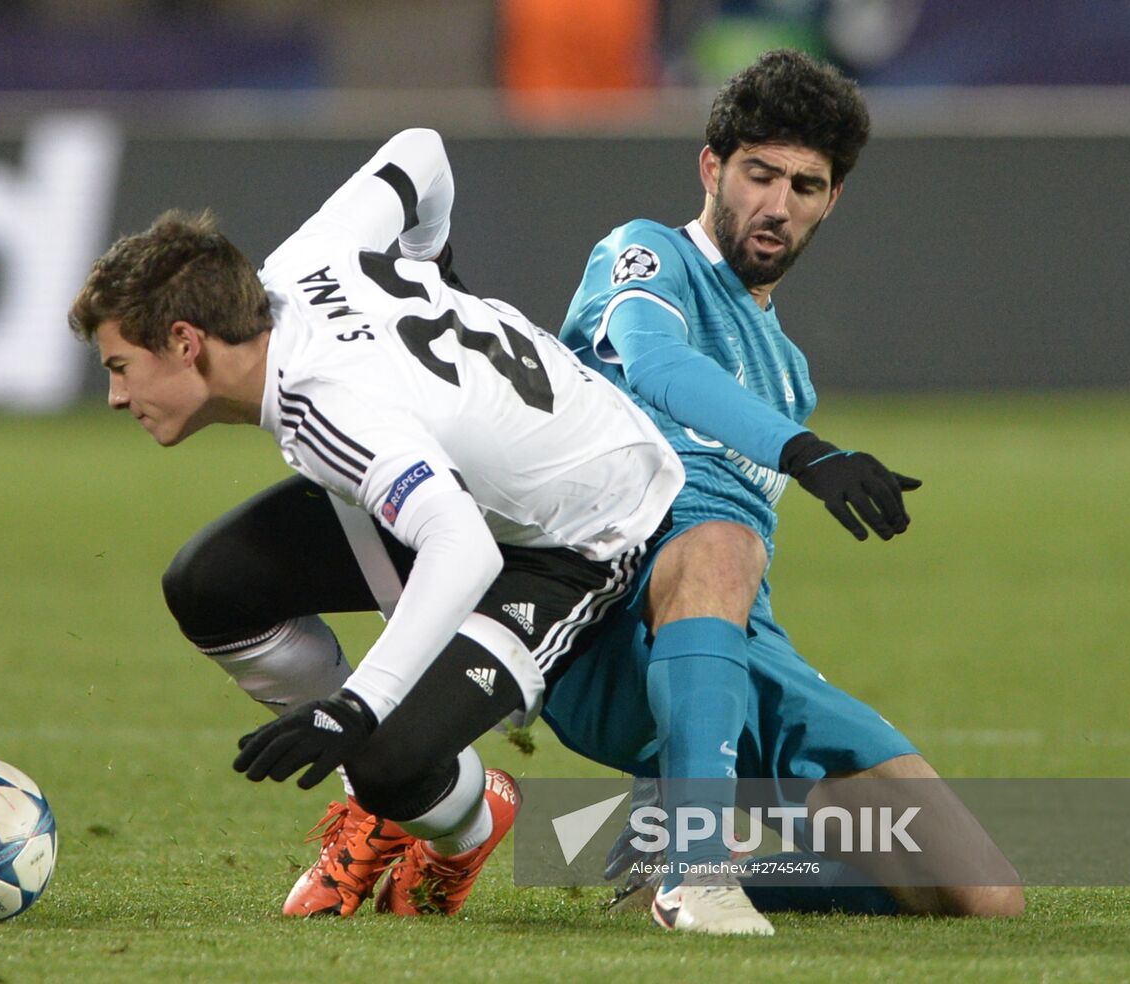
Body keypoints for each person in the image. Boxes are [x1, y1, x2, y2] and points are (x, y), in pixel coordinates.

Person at [67, 127, 685, 919]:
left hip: (574, 529)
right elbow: (422, 150)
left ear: (185, 343)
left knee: (392, 758)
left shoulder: (330, 405)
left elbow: (460, 547)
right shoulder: (297, 265)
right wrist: (431, 263)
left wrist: (355, 709)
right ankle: (377, 797)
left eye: (120, 367)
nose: (118, 396)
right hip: (454, 480)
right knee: (210, 588)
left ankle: (465, 824)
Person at [540, 48, 1023, 933]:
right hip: (605, 619)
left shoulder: (789, 373)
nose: (777, 204)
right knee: (722, 538)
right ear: (712, 168)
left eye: (806, 186)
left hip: (736, 640)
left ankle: (681, 854)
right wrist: (803, 453)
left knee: (982, 893)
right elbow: (657, 363)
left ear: (831, 201)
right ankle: (698, 867)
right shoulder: (647, 256)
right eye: (760, 174)